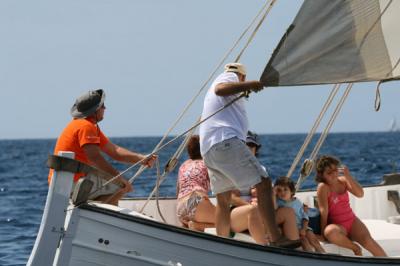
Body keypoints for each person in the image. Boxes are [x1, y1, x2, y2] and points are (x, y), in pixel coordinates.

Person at [200, 64, 298, 247]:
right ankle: (276, 238)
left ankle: (222, 244)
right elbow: (221, 90)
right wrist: (249, 85)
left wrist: (244, 90)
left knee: (223, 198)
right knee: (264, 183)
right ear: (242, 76)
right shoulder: (230, 77)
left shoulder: (222, 90)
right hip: (225, 142)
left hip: (209, 149)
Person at [48, 89, 156, 205]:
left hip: (61, 182)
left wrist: (141, 159)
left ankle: (90, 213)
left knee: (118, 184)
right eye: (102, 106)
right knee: (121, 186)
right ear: (95, 110)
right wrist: (118, 178)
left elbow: (115, 151)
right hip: (70, 183)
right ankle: (90, 215)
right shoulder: (86, 127)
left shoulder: (83, 125)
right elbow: (94, 158)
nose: (105, 108)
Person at [229, 132, 299, 245]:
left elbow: (268, 195)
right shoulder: (230, 169)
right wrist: (252, 206)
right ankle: (266, 247)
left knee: (288, 212)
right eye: (244, 145)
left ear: (256, 149)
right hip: (236, 214)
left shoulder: (261, 169)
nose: (248, 149)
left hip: (259, 211)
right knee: (253, 211)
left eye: (251, 146)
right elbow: (229, 198)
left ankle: (295, 253)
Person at [315, 155, 387, 256]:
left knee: (369, 242)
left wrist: (348, 176)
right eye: (329, 172)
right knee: (330, 232)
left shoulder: (343, 180)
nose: (333, 174)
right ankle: (356, 248)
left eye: (335, 170)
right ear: (321, 175)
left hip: (352, 221)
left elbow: (360, 194)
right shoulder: (323, 187)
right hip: (338, 227)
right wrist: (323, 234)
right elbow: (324, 211)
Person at [274, 176, 325, 253]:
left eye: (285, 189)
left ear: (291, 191)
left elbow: (305, 217)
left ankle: (323, 254)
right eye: (279, 190)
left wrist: (304, 229)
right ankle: (311, 258)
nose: (282, 192)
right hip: (292, 229)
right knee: (304, 242)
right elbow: (274, 207)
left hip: (303, 227)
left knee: (314, 240)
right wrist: (274, 193)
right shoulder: (278, 202)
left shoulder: (297, 202)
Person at [176, 135, 216, 231]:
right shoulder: (207, 163)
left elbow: (178, 190)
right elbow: (218, 187)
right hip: (196, 198)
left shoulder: (184, 165)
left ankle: (195, 224)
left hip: (180, 206)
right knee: (227, 221)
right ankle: (197, 226)